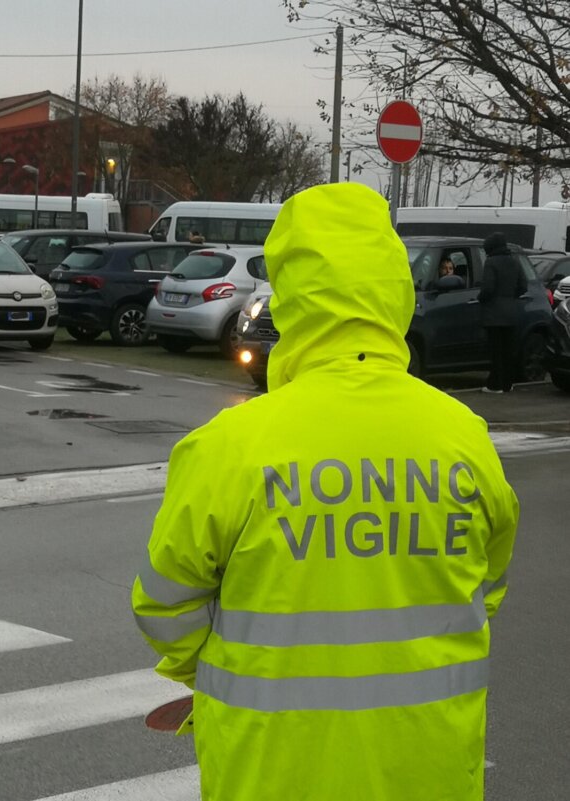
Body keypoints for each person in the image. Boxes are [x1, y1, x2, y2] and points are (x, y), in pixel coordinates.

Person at [132, 182, 519, 801]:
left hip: (272, 769)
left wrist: (223, 667)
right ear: (395, 290)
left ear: (291, 297)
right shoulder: (462, 437)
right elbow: (486, 585)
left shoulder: (233, 444)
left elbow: (165, 604)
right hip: (429, 768)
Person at [479, 232, 526, 393]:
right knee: (508, 350)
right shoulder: (515, 262)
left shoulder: (491, 262)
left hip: (493, 314)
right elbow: (523, 286)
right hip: (512, 313)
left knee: (496, 351)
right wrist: (510, 297)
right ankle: (507, 384)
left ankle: (495, 385)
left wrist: (481, 298)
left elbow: (488, 288)